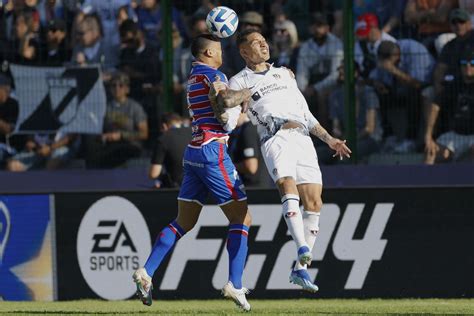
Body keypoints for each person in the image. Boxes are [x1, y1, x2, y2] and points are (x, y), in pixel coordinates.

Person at [212, 29, 351, 292]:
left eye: (264, 40)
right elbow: (228, 113)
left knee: (315, 203)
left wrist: (330, 139)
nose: (264, 44)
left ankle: (300, 269)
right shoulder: (239, 81)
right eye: (256, 42)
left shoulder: (284, 74)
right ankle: (301, 246)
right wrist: (227, 104)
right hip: (275, 137)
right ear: (244, 52)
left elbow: (305, 112)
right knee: (287, 187)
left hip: (302, 137)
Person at [132, 34, 252, 311]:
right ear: (209, 52)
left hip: (194, 151)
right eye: (220, 48)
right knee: (242, 217)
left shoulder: (194, 76)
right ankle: (235, 283)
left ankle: (147, 272)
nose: (223, 53)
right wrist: (245, 94)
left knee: (183, 222)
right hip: (213, 151)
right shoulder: (213, 74)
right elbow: (224, 100)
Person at [84, 72, 148, 168]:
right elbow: (97, 127)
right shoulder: (105, 107)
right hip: (110, 144)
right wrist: (104, 136)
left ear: (127, 89)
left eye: (121, 85)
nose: (117, 88)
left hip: (130, 144)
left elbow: (144, 134)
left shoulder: (135, 107)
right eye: (113, 85)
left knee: (117, 152)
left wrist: (120, 136)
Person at [424, 49, 474, 164]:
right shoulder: (455, 84)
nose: (468, 66)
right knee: (431, 152)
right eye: (463, 63)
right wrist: (428, 136)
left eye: (472, 63)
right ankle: (424, 181)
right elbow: (436, 105)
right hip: (455, 134)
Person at [149, 112, 191, 188]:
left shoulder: (163, 139)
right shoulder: (195, 133)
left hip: (178, 189)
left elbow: (153, 174)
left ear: (164, 126)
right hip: (203, 186)